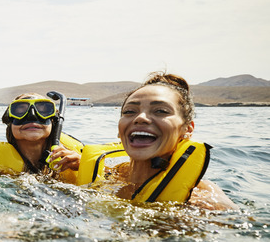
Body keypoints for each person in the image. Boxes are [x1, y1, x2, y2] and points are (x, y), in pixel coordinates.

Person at [77, 72, 236, 210]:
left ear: (187, 129)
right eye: (130, 111)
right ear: (120, 131)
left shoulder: (204, 198)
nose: (140, 118)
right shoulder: (109, 175)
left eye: (161, 111)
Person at [0, 93, 82, 183]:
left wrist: (83, 167)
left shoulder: (75, 161)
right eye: (20, 110)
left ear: (53, 121)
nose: (32, 116)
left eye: (43, 110)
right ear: (10, 123)